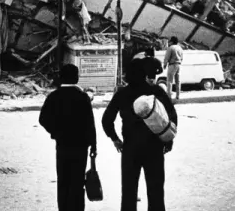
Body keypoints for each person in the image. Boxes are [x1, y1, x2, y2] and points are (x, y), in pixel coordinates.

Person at [102, 61, 177, 211]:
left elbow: (106, 120)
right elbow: (171, 115)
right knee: (156, 191)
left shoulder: (122, 94)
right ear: (144, 74)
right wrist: (168, 139)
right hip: (154, 146)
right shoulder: (156, 91)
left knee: (129, 191)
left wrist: (115, 139)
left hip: (130, 148)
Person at [39, 64, 97, 211]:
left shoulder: (54, 96)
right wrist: (93, 145)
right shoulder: (83, 97)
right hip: (80, 147)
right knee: (77, 182)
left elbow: (43, 119)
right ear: (76, 78)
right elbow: (90, 124)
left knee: (63, 181)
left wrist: (56, 132)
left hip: (62, 145)